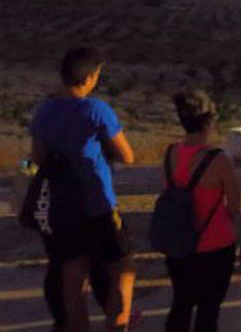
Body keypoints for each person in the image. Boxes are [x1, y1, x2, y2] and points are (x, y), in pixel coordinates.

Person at [29, 46, 136, 332]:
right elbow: (127, 155)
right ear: (88, 78)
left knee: (73, 282)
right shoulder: (96, 109)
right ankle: (117, 324)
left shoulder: (45, 110)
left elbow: (37, 157)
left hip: (63, 206)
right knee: (122, 270)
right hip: (98, 203)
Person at [165, 90, 241, 332]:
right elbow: (235, 205)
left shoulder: (170, 154)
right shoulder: (218, 160)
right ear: (209, 120)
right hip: (214, 245)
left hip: (178, 243)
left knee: (181, 303)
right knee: (209, 310)